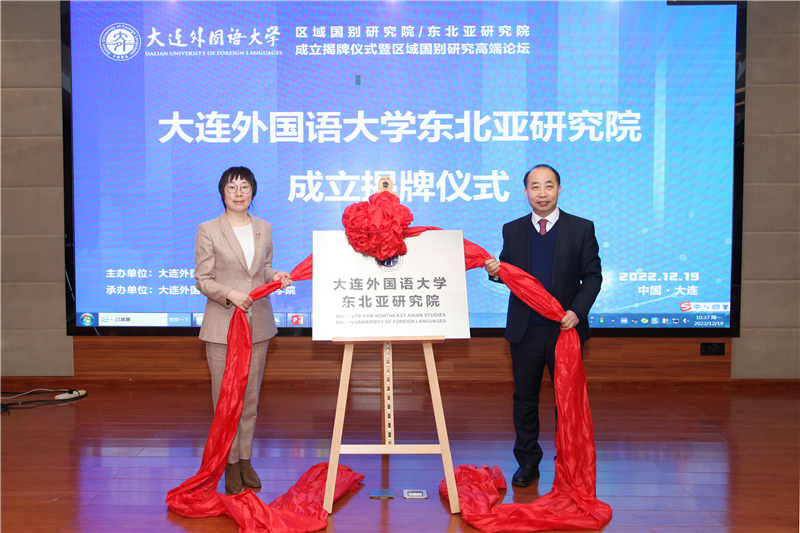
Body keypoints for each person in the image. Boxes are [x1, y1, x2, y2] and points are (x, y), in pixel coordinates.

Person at [484, 164, 602, 488]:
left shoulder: (581, 228)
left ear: (559, 189)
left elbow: (593, 276)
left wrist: (577, 311)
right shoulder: (513, 229)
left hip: (565, 328)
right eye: (535, 187)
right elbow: (509, 272)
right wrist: (495, 272)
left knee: (567, 399)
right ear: (526, 192)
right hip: (526, 330)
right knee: (525, 398)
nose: (542, 193)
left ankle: (569, 461)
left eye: (549, 186)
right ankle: (527, 462)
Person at [195, 166, 292, 494]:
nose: (239, 193)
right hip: (223, 324)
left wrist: (275, 275)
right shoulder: (208, 229)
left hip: (257, 323)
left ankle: (246, 459)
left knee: (249, 399)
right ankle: (229, 462)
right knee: (226, 399)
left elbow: (262, 269)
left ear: (253, 192)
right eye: (232, 187)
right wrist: (229, 294)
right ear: (222, 192)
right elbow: (203, 279)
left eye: (245, 187)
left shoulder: (264, 227)